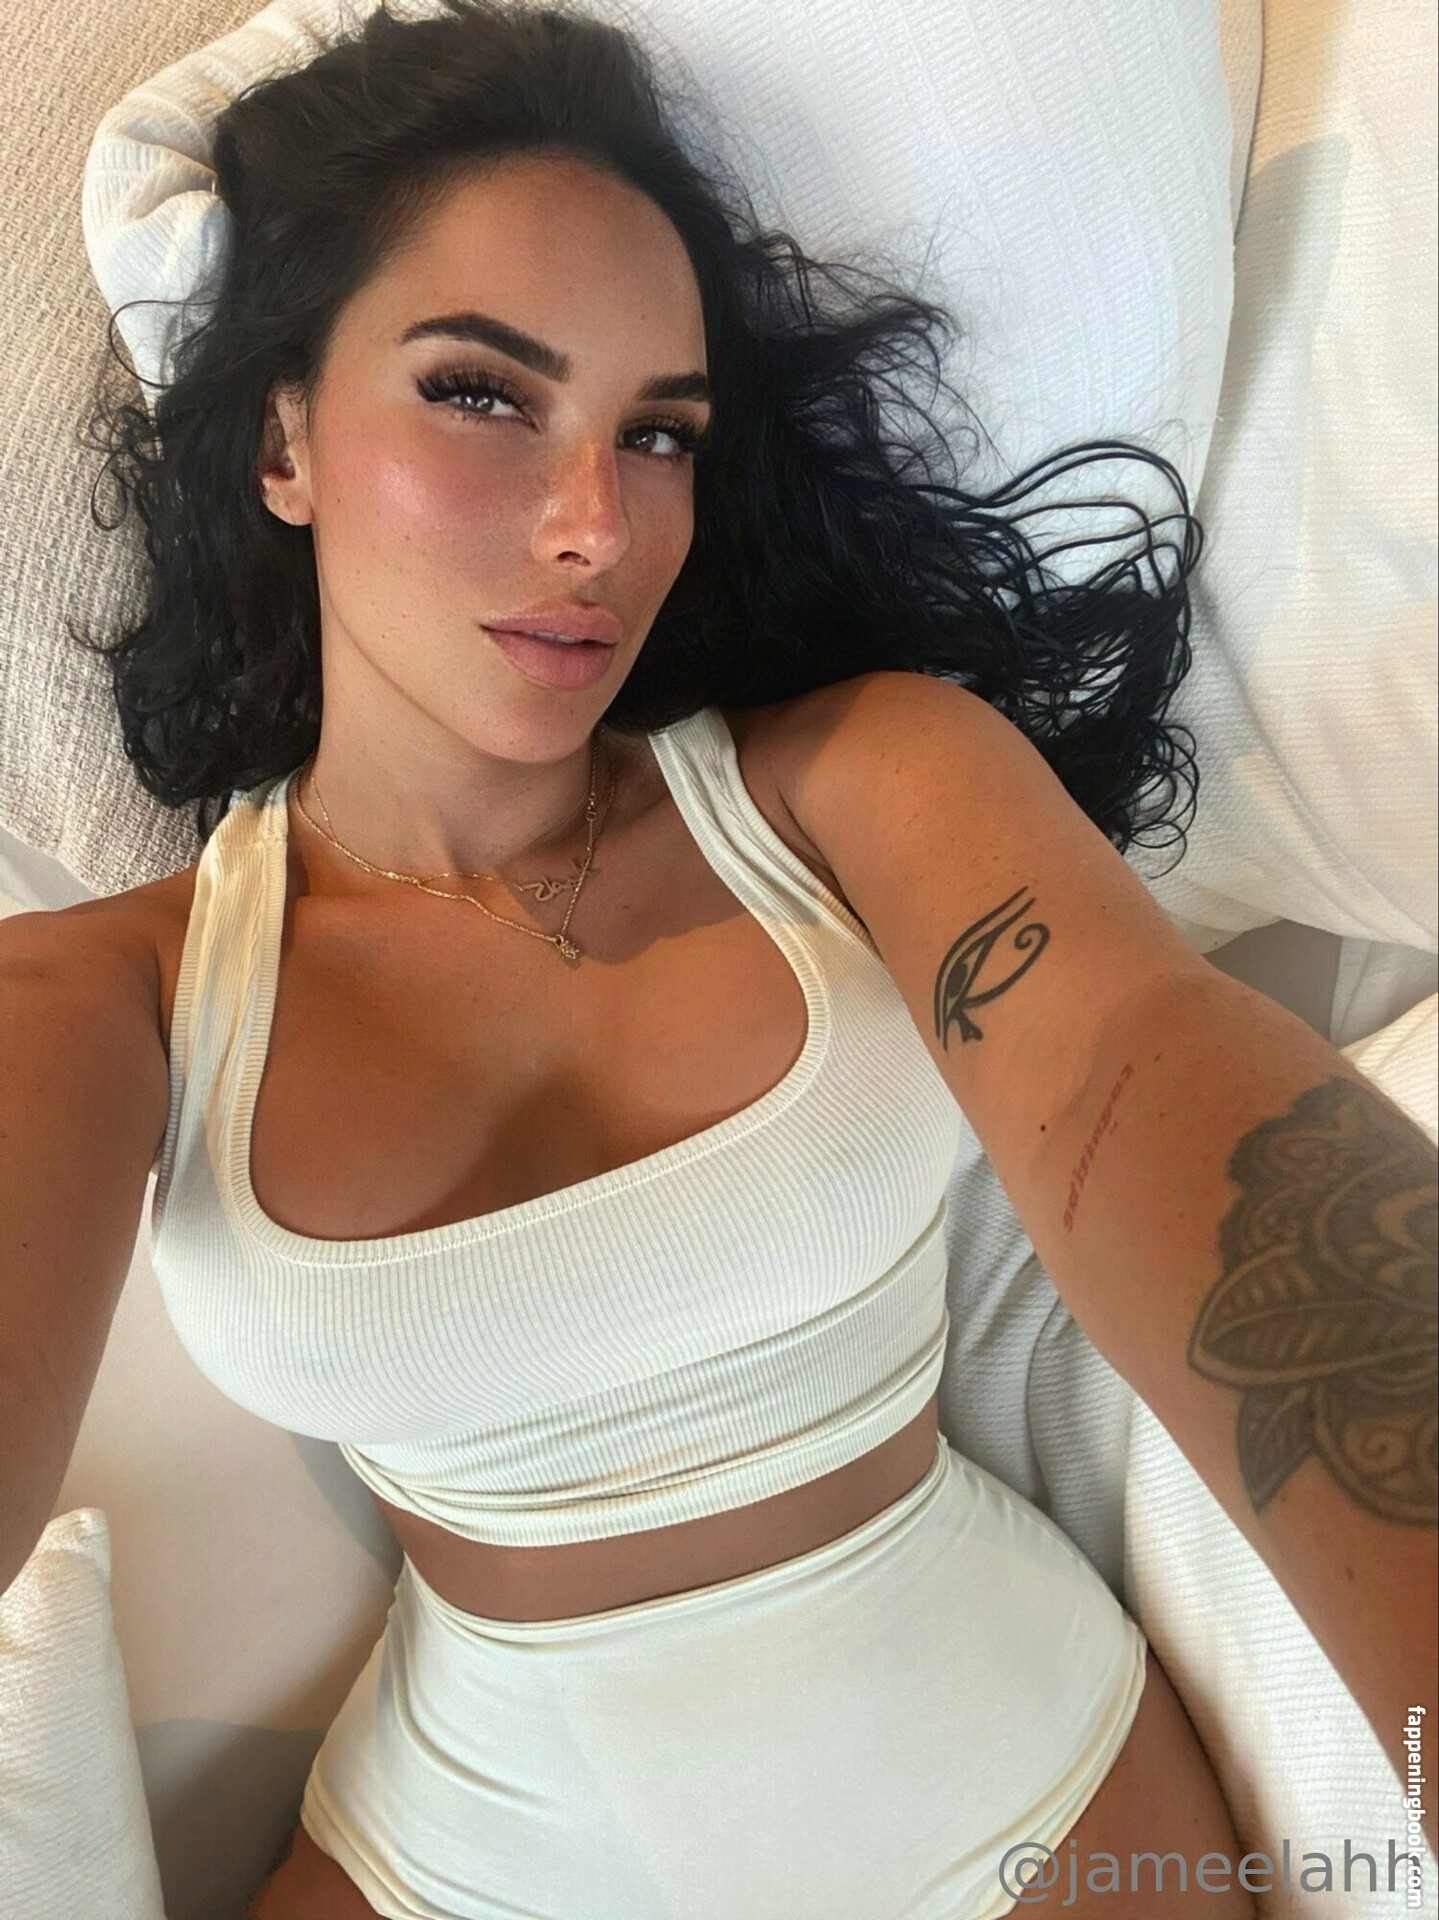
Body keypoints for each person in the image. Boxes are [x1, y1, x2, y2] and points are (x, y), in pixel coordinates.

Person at [45, 1, 1429, 1915]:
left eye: (660, 434)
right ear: (284, 436)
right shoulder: (114, 994)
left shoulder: (858, 782)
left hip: (1021, 1812)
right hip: (456, 1859)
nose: (597, 525)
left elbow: (1153, 1086)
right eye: (481, 393)